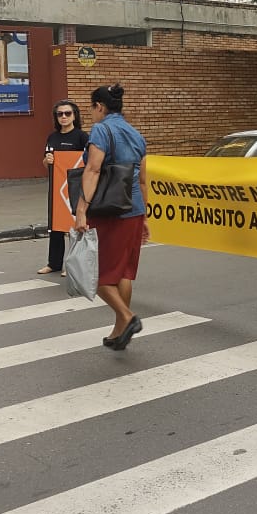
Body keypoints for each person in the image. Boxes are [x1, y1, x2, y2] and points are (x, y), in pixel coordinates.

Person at [74, 83, 149, 349]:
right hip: (135, 209)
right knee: (123, 272)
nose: (92, 113)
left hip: (110, 210)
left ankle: (128, 317)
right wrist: (146, 217)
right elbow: (142, 180)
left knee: (98, 275)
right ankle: (119, 331)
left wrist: (81, 209)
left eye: (92, 107)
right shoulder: (136, 133)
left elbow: (93, 170)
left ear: (100, 107)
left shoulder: (101, 129)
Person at [38, 100, 89, 275]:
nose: (64, 117)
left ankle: (72, 264)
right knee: (56, 225)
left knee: (74, 226)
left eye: (68, 113)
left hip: (76, 188)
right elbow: (46, 163)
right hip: (56, 188)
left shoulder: (82, 137)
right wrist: (47, 161)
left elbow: (89, 162)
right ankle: (54, 263)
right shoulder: (52, 137)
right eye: (60, 114)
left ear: (75, 115)